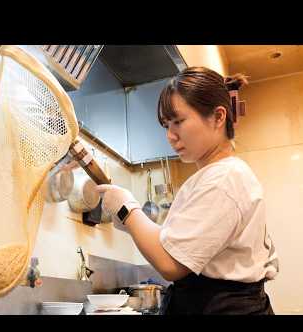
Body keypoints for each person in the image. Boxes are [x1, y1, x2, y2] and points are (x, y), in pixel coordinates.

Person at [96, 66, 279, 315]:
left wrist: (128, 209)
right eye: (166, 125)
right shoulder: (213, 176)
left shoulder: (224, 178)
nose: (170, 136)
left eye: (178, 122)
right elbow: (171, 245)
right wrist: (129, 221)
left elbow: (170, 263)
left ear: (218, 117)